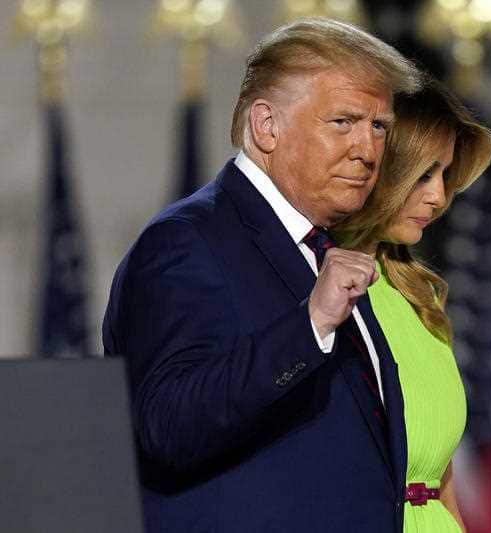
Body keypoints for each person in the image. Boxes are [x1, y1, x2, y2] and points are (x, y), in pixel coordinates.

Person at [102, 18, 420, 533]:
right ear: (266, 126)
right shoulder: (186, 242)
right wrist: (309, 325)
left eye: (379, 126)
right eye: (343, 121)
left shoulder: (324, 251)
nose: (368, 149)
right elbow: (164, 425)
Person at [333, 76, 491, 531]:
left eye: (444, 175)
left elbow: (441, 481)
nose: (439, 197)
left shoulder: (418, 297)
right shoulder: (315, 289)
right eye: (424, 173)